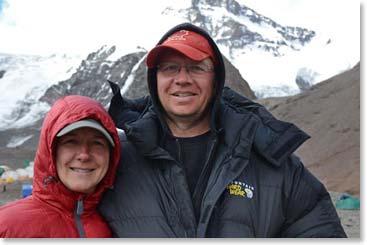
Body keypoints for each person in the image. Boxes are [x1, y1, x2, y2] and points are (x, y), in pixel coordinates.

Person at [99, 23, 346, 238]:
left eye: (196, 67)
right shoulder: (115, 161)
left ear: (216, 80)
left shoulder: (274, 163)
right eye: (170, 68)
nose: (182, 78)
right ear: (155, 81)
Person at [0, 95, 120, 238]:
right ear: (51, 152)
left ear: (111, 155)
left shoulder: (117, 225)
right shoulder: (7, 228)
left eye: (97, 143)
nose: (84, 155)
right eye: (71, 142)